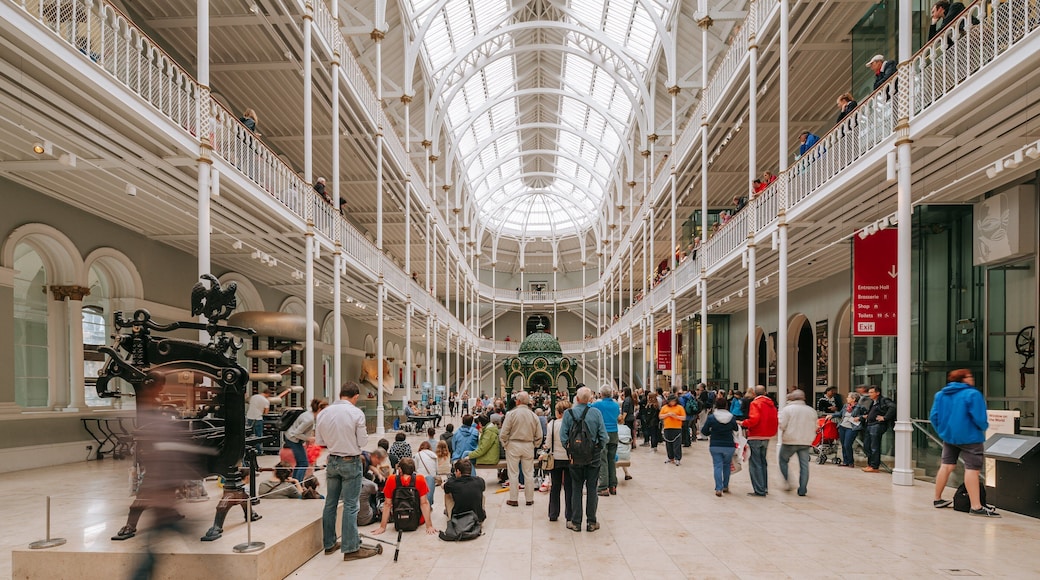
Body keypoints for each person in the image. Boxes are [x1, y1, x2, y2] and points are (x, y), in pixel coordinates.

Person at [314, 381, 381, 560]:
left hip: (332, 460)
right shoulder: (356, 413)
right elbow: (363, 442)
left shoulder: (324, 413)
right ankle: (350, 548)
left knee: (330, 503)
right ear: (356, 396)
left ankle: (329, 544)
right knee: (351, 505)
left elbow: (320, 441)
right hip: (350, 461)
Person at [930, 369, 999, 517]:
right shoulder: (972, 394)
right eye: (970, 376)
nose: (972, 378)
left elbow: (933, 416)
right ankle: (976, 506)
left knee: (946, 466)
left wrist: (942, 431)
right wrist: (983, 427)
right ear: (963, 379)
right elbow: (979, 417)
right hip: (970, 437)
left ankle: (937, 499)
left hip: (949, 437)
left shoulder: (940, 394)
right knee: (972, 469)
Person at [560, 386, 607, 532]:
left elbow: (563, 437)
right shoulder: (596, 413)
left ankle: (576, 522)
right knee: (592, 488)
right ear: (589, 399)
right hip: (593, 457)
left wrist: (571, 450)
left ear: (577, 399)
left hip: (575, 458)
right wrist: (597, 449)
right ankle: (591, 522)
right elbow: (604, 437)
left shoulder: (569, 413)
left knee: (576, 488)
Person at [372, 458, 437, 536]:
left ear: (400, 470)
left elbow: (387, 504)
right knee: (429, 479)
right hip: (418, 520)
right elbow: (424, 503)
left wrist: (382, 527)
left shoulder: (391, 479)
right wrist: (429, 526)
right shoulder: (420, 479)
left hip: (399, 519)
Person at [500, 391, 542, 506]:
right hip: (528, 445)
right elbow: (539, 435)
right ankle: (529, 499)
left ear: (517, 401)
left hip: (513, 444)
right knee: (529, 473)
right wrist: (535, 445)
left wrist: (505, 445)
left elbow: (503, 433)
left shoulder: (511, 414)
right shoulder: (533, 415)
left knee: (513, 473)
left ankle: (513, 499)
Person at [777, 390, 819, 497]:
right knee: (804, 465)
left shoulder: (787, 409)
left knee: (783, 460)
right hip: (805, 440)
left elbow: (782, 425)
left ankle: (788, 481)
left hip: (790, 440)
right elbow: (816, 425)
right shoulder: (811, 410)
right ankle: (803, 489)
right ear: (803, 398)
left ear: (791, 398)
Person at [740, 385, 778, 497]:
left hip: (756, 435)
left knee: (755, 463)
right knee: (762, 462)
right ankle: (764, 487)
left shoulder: (756, 403)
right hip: (767, 435)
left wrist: (744, 423)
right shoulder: (771, 404)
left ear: (754, 394)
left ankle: (759, 489)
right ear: (765, 392)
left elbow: (754, 419)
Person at [701, 398, 739, 496]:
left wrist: (711, 432)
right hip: (729, 445)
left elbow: (704, 431)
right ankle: (725, 485)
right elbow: (735, 428)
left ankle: (718, 488)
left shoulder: (712, 418)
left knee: (717, 466)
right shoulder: (732, 417)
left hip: (715, 445)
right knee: (727, 466)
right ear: (726, 406)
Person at [284, 398, 326, 483]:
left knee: (300, 462)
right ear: (319, 410)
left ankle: (295, 482)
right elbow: (297, 433)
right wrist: (309, 439)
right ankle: (298, 483)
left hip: (292, 438)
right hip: (293, 438)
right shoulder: (309, 419)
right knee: (303, 463)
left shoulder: (308, 414)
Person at [544, 400, 572, 522]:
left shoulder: (552, 424)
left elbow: (548, 443)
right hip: (569, 458)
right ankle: (570, 514)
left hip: (556, 458)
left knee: (555, 486)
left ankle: (553, 513)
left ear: (559, 412)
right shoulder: (572, 423)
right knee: (569, 487)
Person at [590, 385, 620, 495]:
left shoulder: (598, 404)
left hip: (603, 433)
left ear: (601, 393)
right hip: (614, 433)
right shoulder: (616, 405)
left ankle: (603, 486)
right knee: (611, 459)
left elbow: (588, 407)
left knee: (603, 460)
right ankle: (613, 485)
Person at [861, 386, 895, 473]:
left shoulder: (884, 400)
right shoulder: (873, 402)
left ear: (877, 393)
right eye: (869, 392)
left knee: (874, 446)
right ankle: (870, 464)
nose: (870, 394)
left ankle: (874, 466)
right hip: (869, 424)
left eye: (872, 392)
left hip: (877, 425)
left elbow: (893, 407)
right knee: (866, 446)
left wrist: (885, 417)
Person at [836, 392, 866, 467]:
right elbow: (840, 414)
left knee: (847, 444)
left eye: (848, 397)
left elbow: (866, 415)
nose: (847, 398)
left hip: (852, 428)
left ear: (854, 399)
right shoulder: (845, 406)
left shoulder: (859, 407)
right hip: (842, 426)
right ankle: (845, 461)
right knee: (843, 445)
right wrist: (831, 415)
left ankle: (851, 462)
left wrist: (859, 418)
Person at [658, 394, 686, 466]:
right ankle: (670, 457)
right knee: (668, 443)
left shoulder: (680, 407)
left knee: (677, 444)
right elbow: (660, 416)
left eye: (674, 401)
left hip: (677, 428)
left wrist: (676, 416)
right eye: (671, 401)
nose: (672, 403)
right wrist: (667, 415)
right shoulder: (664, 407)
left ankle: (677, 458)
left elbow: (683, 417)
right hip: (667, 427)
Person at [414, 441, 439, 508]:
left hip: (420, 476)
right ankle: (429, 505)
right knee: (430, 493)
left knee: (421, 493)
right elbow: (437, 469)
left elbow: (415, 468)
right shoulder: (434, 455)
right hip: (431, 476)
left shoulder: (417, 455)